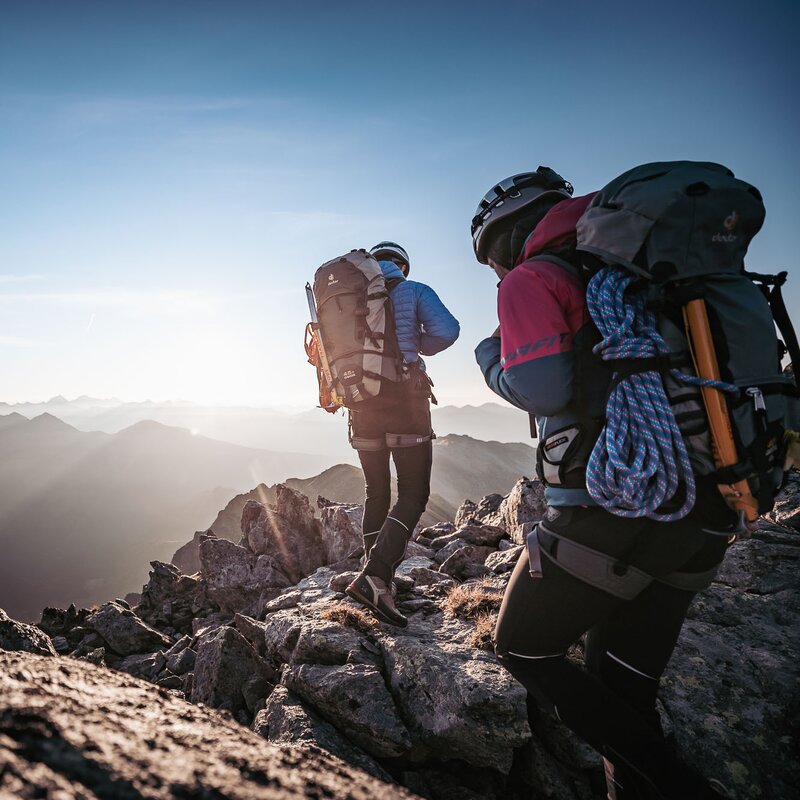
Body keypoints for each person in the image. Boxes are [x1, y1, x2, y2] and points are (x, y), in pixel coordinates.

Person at [470, 169, 737, 799]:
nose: (497, 275)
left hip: (616, 506)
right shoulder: (648, 276)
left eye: (492, 262)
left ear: (505, 240)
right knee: (623, 692)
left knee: (523, 649)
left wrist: (490, 358)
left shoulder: (532, 278)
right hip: (705, 506)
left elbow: (542, 388)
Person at [346, 241, 459, 627]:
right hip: (404, 404)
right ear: (402, 267)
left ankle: (374, 573)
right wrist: (413, 346)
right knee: (413, 493)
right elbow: (448, 332)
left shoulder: (352, 300)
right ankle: (376, 576)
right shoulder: (414, 291)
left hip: (360, 406)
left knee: (376, 492)